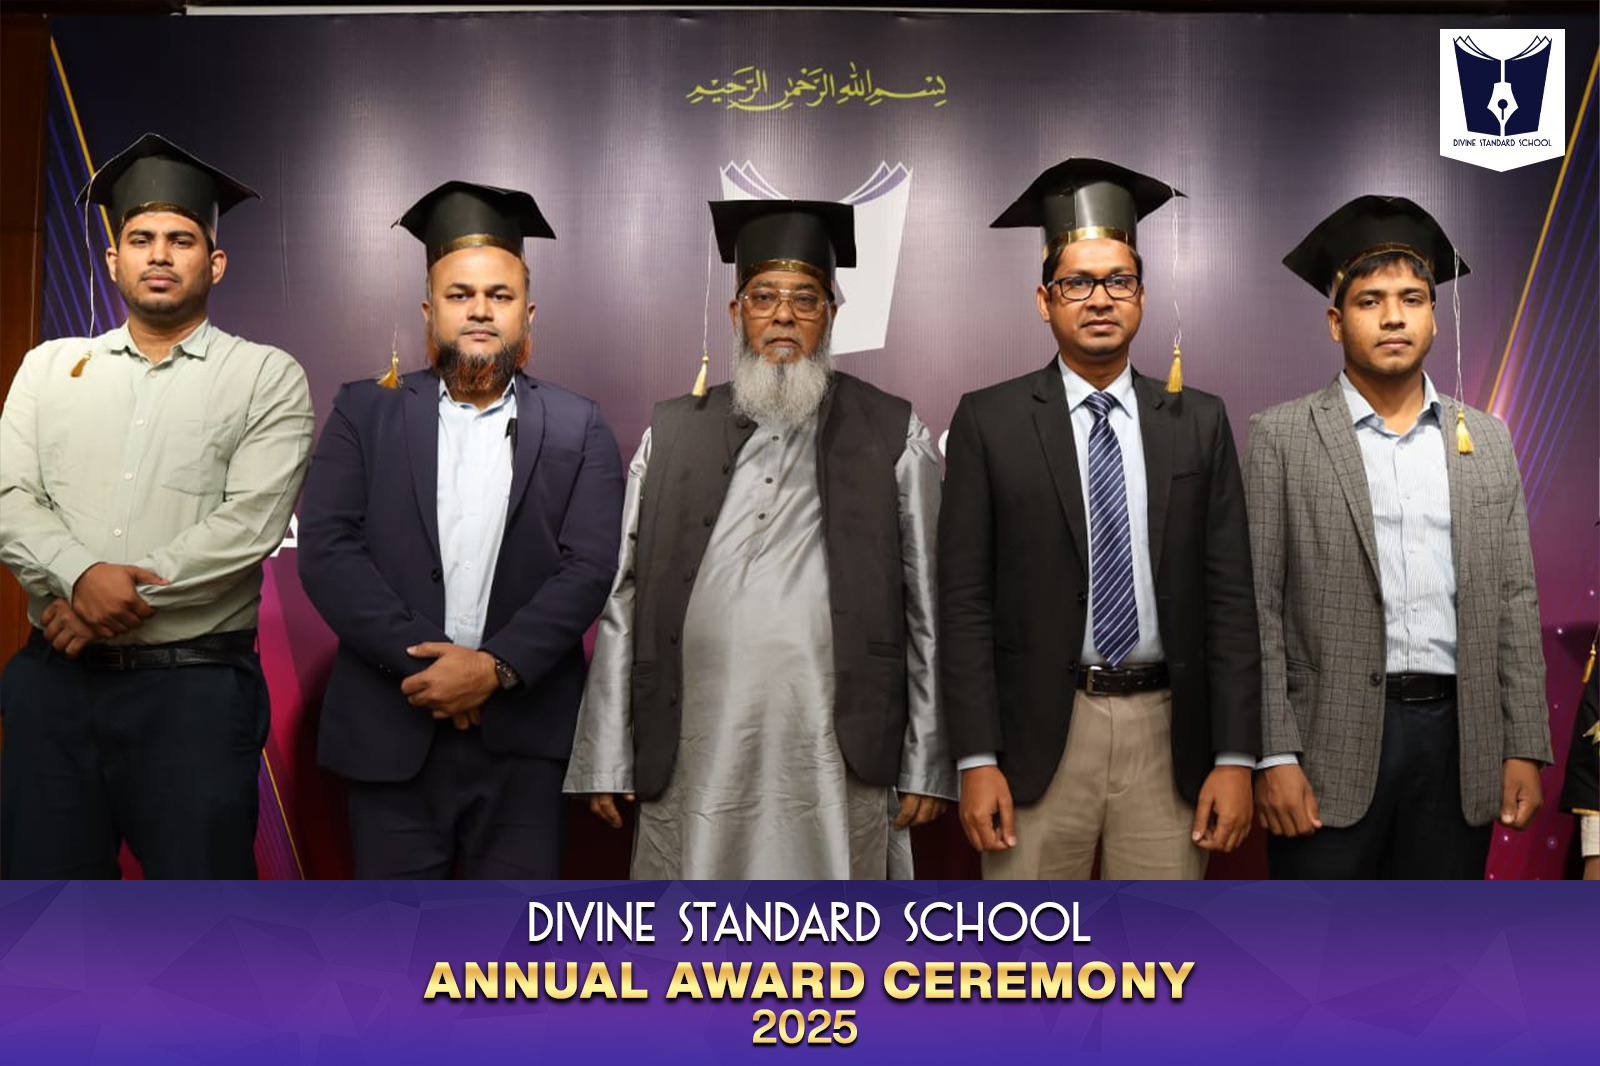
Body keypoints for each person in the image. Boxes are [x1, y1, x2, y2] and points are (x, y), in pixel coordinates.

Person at [565, 198, 954, 878]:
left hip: (836, 750)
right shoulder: (672, 432)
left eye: (805, 300)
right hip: (697, 741)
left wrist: (927, 758)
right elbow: (623, 599)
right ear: (735, 312)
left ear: (830, 316)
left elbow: (928, 606)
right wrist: (605, 753)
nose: (783, 316)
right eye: (764, 297)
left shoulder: (893, 430)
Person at [0, 133, 313, 878]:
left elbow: (250, 524)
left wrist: (103, 600)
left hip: (193, 697)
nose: (160, 255)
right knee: (48, 918)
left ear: (215, 262)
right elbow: (9, 496)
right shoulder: (48, 369)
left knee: (199, 919)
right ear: (114, 261)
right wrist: (80, 576)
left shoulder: (265, 376)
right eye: (141, 239)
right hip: (55, 690)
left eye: (182, 239)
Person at [939, 158, 1260, 879]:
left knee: (1161, 946)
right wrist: (977, 757)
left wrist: (1236, 755)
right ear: (1044, 300)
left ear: (1141, 295)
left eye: (1118, 281)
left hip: (1168, 733)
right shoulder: (990, 421)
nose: (1099, 299)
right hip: (1037, 740)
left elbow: (1231, 601)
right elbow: (964, 604)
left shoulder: (1197, 421)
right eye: (1077, 283)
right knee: (1028, 946)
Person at [298, 181, 623, 878]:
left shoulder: (579, 423)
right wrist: (435, 668)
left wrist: (493, 669)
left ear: (527, 313)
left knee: (509, 945)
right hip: (391, 728)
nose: (479, 309)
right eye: (460, 294)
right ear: (430, 311)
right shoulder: (363, 411)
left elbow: (590, 566)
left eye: (499, 295)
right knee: (394, 939)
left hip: (524, 742)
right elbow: (328, 550)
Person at [1249, 195, 1551, 878]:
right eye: (1370, 301)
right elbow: (1257, 609)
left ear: (1433, 317)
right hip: (1326, 747)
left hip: (1458, 743)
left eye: (1412, 299)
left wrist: (1524, 744)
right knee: (1315, 944)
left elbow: (1515, 599)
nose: (1393, 317)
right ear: (1336, 321)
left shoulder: (1487, 439)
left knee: (1436, 942)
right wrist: (1274, 753)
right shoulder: (1280, 437)